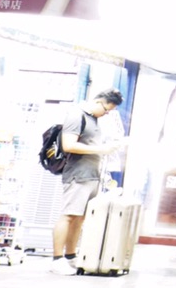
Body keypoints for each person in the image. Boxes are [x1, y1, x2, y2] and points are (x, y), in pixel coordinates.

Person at [47, 89, 123, 273]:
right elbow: (69, 145)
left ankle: (70, 256)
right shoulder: (76, 115)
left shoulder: (94, 120)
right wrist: (101, 150)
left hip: (92, 175)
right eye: (106, 109)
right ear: (99, 102)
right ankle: (57, 260)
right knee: (69, 215)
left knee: (79, 218)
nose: (107, 114)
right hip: (77, 174)